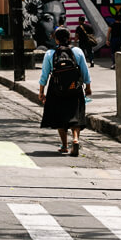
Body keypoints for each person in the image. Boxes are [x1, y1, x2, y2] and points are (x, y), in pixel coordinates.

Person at [38, 27, 92, 157]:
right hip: (75, 88)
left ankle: (64, 145)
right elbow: (85, 71)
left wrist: (41, 92)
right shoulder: (77, 52)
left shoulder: (50, 54)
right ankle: (75, 139)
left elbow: (44, 75)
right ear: (69, 38)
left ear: (56, 39)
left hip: (56, 89)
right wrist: (88, 87)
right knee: (75, 114)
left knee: (59, 116)